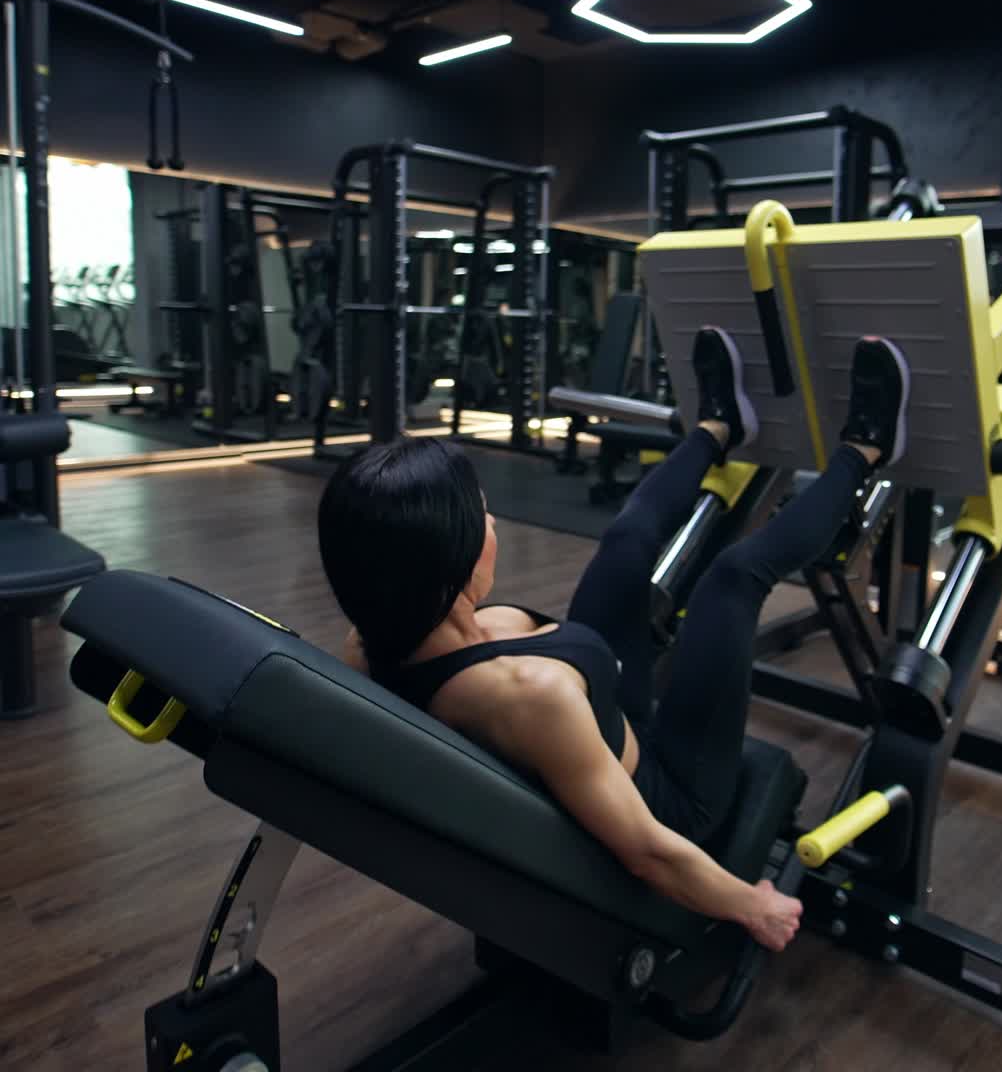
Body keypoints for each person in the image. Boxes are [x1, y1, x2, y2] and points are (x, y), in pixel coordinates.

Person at [319, 328, 910, 953]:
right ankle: (866, 449)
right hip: (671, 788)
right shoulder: (529, 696)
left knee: (628, 540)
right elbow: (649, 851)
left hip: (601, 704)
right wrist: (754, 906)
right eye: (480, 517)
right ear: (449, 565)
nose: (491, 523)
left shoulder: (377, 632)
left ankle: (718, 428)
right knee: (733, 579)